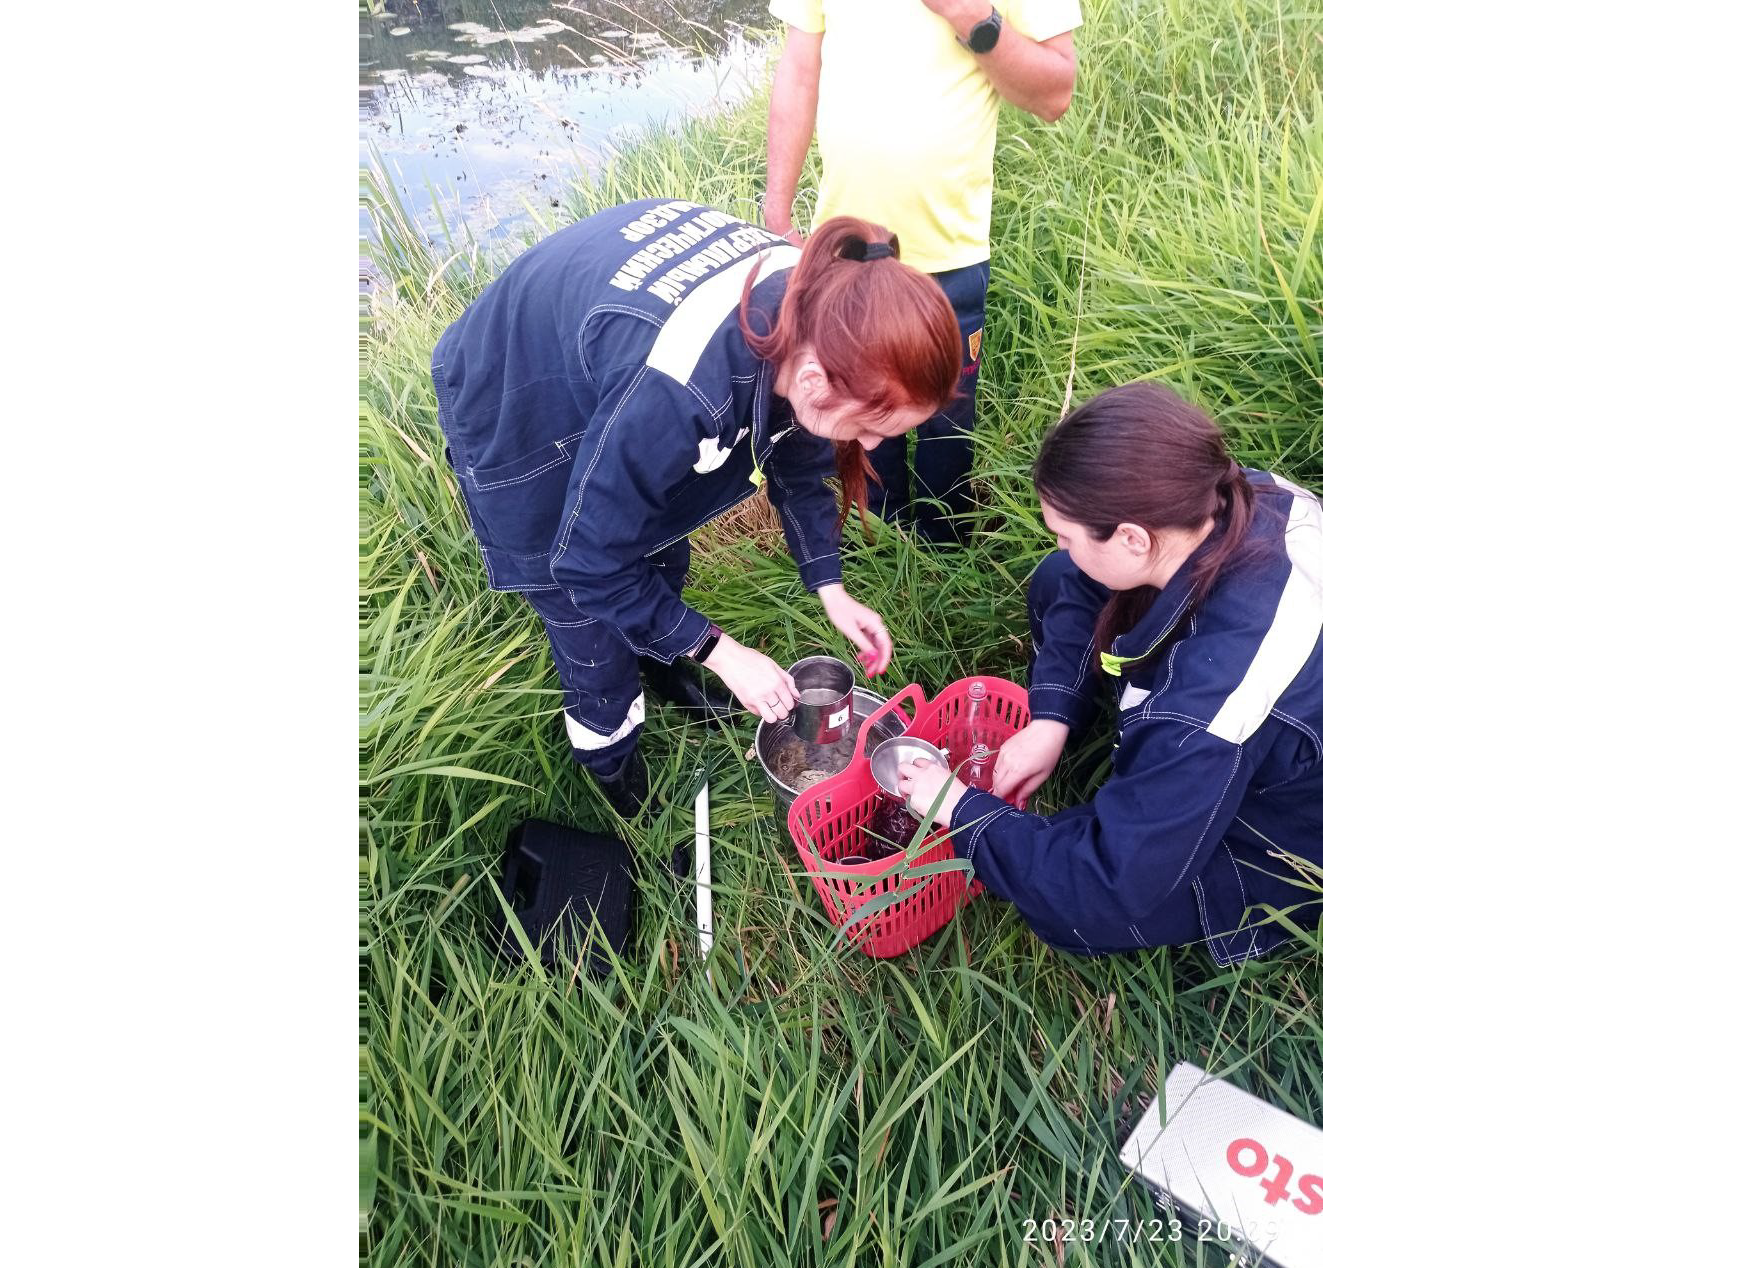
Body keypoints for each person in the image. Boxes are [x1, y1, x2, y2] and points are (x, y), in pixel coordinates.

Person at [430, 198, 961, 815]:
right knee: (587, 616)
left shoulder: (829, 308)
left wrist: (830, 585)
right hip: (522, 387)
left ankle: (664, 663)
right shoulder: (680, 388)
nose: (869, 446)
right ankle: (617, 777)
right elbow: (588, 562)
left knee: (654, 534)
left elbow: (800, 455)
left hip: (615, 361)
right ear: (817, 380)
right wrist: (723, 653)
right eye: (872, 428)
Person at [896, 382, 1322, 963]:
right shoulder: (1227, 493)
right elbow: (1076, 581)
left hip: (1291, 825)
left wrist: (957, 806)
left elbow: (1106, 886)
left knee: (1080, 914)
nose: (1064, 547)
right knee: (1060, 581)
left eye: (1068, 535)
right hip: (1266, 692)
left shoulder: (1204, 712)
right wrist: (1051, 716)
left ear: (1131, 537)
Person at [763, 0, 1082, 544]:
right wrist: (776, 212)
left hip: (951, 257)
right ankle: (879, 544)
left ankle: (945, 548)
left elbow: (1054, 93)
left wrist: (968, 15)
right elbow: (798, 71)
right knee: (859, 412)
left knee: (946, 421)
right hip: (846, 253)